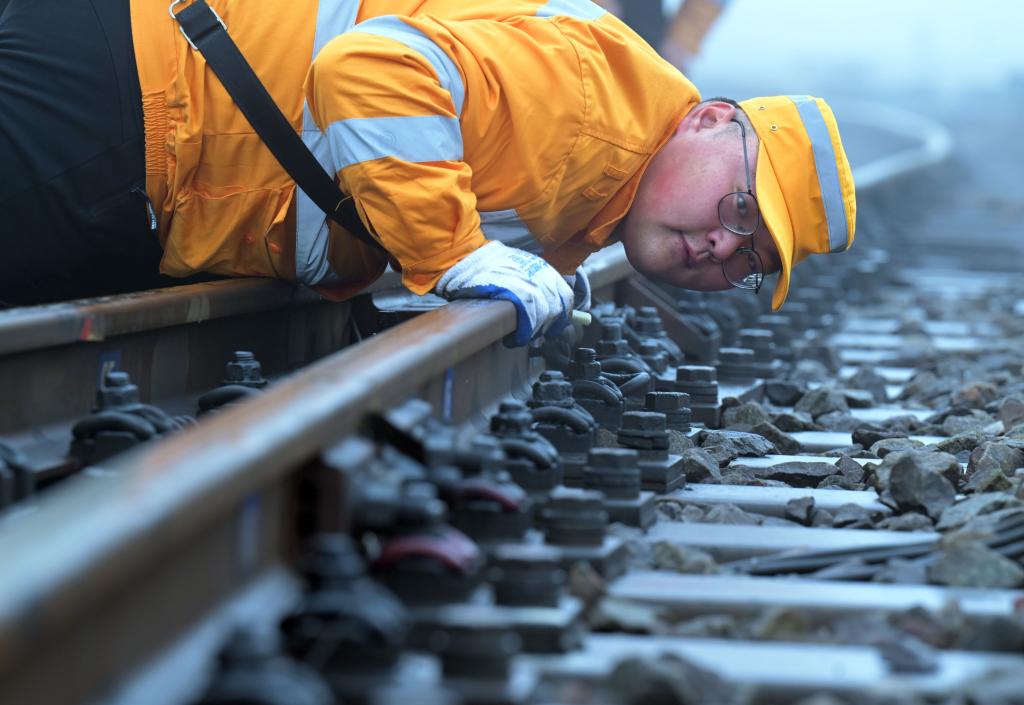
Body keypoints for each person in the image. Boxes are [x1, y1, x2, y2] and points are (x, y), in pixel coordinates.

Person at [0, 0, 855, 347]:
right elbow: (372, 69)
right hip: (137, 101)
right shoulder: (591, 113)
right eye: (740, 209)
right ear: (710, 118)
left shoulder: (606, 174)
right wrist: (451, 253)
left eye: (753, 261)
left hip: (151, 116)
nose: (720, 245)